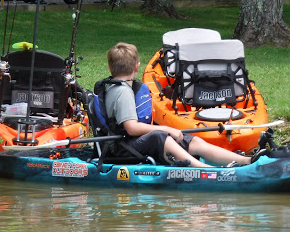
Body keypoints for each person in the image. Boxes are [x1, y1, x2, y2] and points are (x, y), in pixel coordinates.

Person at [103, 42, 255, 168]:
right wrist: (167, 128)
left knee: (193, 141)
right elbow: (131, 127)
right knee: (159, 136)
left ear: (110, 67)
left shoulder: (123, 87)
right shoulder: (122, 92)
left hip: (133, 142)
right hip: (123, 148)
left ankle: (247, 161)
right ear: (137, 67)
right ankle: (207, 170)